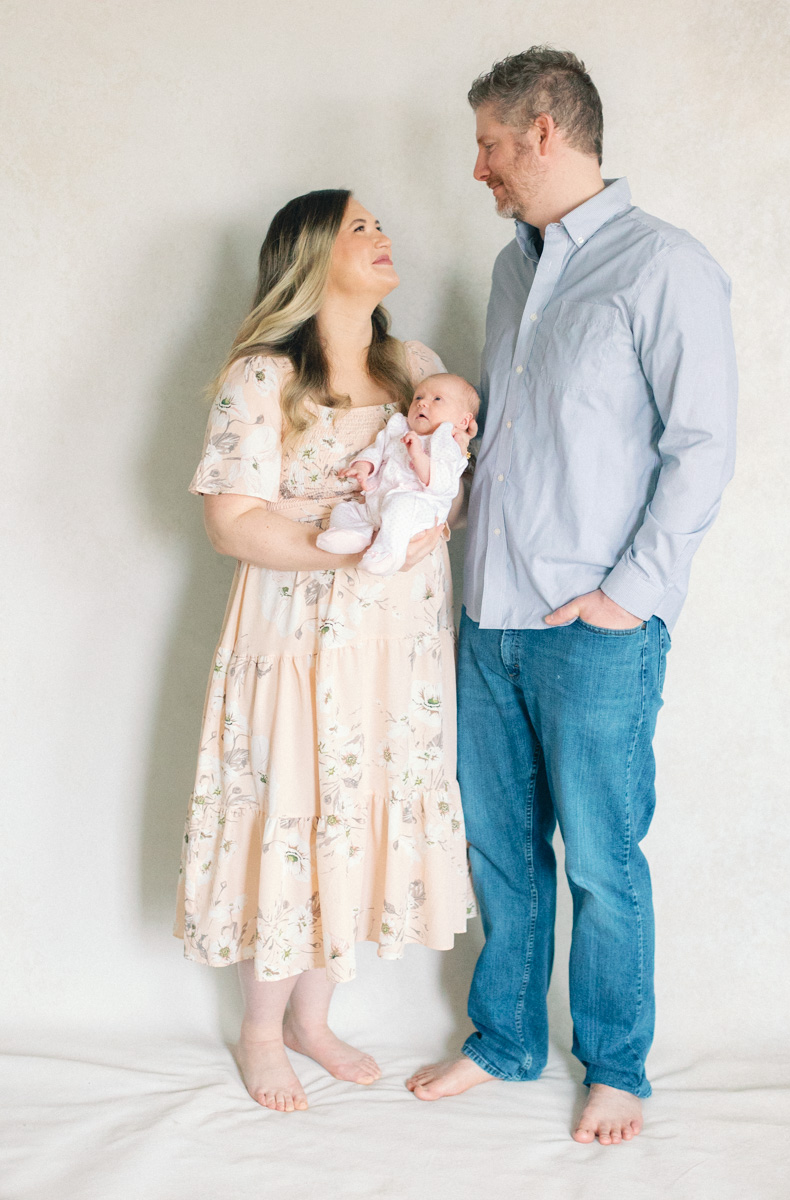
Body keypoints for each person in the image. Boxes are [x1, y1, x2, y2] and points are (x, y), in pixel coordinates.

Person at [406, 47, 737, 1146]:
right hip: (487, 616)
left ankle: (616, 1066)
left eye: (490, 145)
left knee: (600, 858)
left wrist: (627, 595)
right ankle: (502, 1041)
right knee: (500, 850)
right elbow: (532, 429)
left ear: (543, 131)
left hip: (593, 632)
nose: (478, 170)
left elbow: (700, 448)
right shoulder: (512, 270)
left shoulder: (663, 266)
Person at [175, 189, 476, 1113]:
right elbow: (232, 523)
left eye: (382, 221)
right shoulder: (264, 376)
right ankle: (261, 1031)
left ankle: (313, 1019)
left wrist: (422, 525)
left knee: (357, 811)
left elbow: (451, 475)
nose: (384, 236)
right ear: (310, 256)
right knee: (292, 806)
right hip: (298, 638)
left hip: (398, 646)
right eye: (360, 227)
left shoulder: (416, 365)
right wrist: (346, 548)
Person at [317, 372, 478, 574]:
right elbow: (378, 449)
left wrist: (418, 455)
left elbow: (443, 483)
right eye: (418, 397)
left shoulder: (446, 439)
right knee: (345, 510)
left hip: (416, 507)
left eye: (437, 399)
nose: (422, 404)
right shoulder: (398, 427)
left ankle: (388, 554)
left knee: (399, 506)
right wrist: (363, 466)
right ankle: (354, 534)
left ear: (463, 421)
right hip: (378, 503)